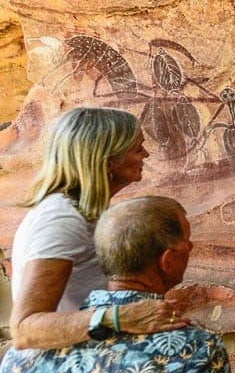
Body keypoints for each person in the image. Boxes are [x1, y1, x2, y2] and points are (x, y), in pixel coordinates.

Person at [0, 195, 235, 373]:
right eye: (186, 239)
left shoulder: (20, 356)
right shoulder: (195, 349)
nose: (191, 246)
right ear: (167, 260)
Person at [8, 106, 187, 349]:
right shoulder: (61, 219)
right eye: (137, 148)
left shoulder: (87, 211)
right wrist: (120, 317)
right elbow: (24, 330)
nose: (145, 154)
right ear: (108, 159)